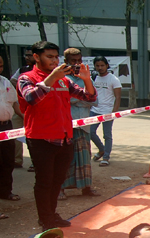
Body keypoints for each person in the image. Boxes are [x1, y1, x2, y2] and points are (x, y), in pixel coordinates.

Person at [17, 41, 96, 231]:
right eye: (49, 57)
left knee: (57, 180)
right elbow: (31, 99)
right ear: (36, 57)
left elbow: (89, 97)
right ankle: (45, 219)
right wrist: (52, 77)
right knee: (44, 181)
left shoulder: (64, 80)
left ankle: (51, 214)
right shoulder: (26, 78)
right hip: (41, 139)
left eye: (56, 57)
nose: (54, 61)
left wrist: (86, 80)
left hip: (64, 137)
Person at [59, 48, 100, 200]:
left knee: (84, 156)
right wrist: (82, 99)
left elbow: (95, 100)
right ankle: (61, 189)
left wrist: (76, 99)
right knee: (65, 157)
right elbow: (63, 100)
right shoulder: (62, 79)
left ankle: (86, 187)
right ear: (66, 62)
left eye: (79, 60)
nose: (76, 63)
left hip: (84, 125)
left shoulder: (86, 77)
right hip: (66, 124)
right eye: (73, 60)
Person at [89, 56, 121, 167]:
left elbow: (118, 97)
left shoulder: (113, 79)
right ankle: (101, 149)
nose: (100, 68)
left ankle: (106, 157)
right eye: (97, 66)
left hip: (108, 111)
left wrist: (114, 112)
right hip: (94, 110)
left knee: (107, 135)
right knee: (90, 132)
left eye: (102, 65)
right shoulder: (93, 78)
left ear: (107, 65)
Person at [0, 54, 23, 202]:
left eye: (1, 65)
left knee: (8, 161)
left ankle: (6, 191)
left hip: (7, 127)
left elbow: (14, 103)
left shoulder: (6, 82)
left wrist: (26, 118)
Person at [10, 48, 34, 170]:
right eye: (26, 55)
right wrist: (22, 87)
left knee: (33, 137)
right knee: (15, 134)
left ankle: (34, 161)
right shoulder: (22, 70)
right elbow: (12, 80)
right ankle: (17, 160)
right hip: (19, 107)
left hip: (34, 109)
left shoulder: (41, 71)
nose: (27, 57)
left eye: (29, 55)